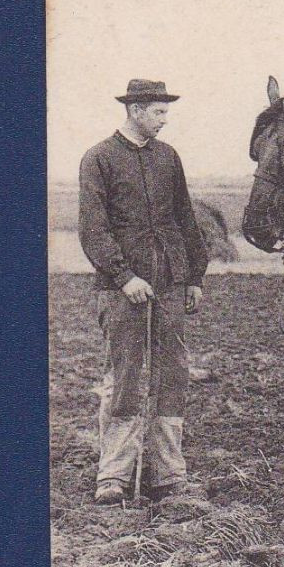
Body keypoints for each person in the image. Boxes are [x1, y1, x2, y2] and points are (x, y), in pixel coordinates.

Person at [78, 79, 209, 504]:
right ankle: (114, 474)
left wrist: (194, 277)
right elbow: (93, 230)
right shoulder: (98, 158)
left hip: (171, 282)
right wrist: (124, 276)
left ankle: (169, 473)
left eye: (166, 112)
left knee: (172, 373)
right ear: (136, 110)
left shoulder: (168, 158)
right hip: (122, 290)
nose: (165, 120)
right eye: (159, 112)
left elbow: (185, 220)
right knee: (126, 375)